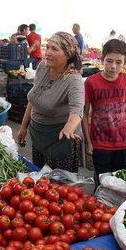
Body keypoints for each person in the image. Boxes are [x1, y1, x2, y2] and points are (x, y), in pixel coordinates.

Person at [17, 32, 84, 173]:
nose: (48, 53)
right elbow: (34, 98)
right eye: (47, 47)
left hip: (59, 140)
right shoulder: (43, 67)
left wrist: (69, 128)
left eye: (54, 49)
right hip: (38, 136)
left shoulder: (74, 79)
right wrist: (24, 126)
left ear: (68, 55)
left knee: (59, 186)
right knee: (40, 178)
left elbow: (77, 110)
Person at [82, 39, 126, 185]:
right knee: (102, 184)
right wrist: (88, 142)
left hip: (123, 143)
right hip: (100, 144)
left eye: (119, 62)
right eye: (109, 61)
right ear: (102, 59)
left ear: (125, 63)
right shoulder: (91, 82)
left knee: (120, 184)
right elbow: (85, 113)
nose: (113, 66)